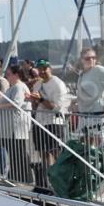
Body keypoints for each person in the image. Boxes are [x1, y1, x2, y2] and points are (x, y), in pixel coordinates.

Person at [29, 60, 70, 189]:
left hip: (54, 123)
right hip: (40, 122)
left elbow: (56, 108)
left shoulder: (58, 84)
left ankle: (62, 182)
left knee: (57, 153)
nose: (42, 71)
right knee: (43, 153)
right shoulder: (37, 84)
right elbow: (35, 106)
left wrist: (41, 99)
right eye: (40, 69)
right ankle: (49, 181)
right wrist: (34, 100)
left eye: (44, 68)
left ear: (50, 68)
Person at [74, 46, 104, 145]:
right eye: (87, 58)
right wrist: (74, 102)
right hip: (84, 118)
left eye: (93, 58)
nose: (91, 60)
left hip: (98, 116)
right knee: (87, 153)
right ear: (81, 60)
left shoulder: (98, 70)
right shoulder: (82, 74)